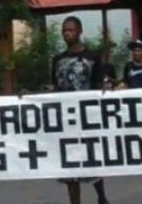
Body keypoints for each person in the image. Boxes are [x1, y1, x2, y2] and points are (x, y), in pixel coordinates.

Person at [51, 16, 110, 204]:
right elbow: (55, 88)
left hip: (86, 117)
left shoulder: (92, 57)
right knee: (70, 163)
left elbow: (98, 86)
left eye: (71, 30)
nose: (67, 33)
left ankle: (101, 195)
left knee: (90, 158)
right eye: (64, 31)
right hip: (65, 119)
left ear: (80, 31)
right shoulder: (58, 60)